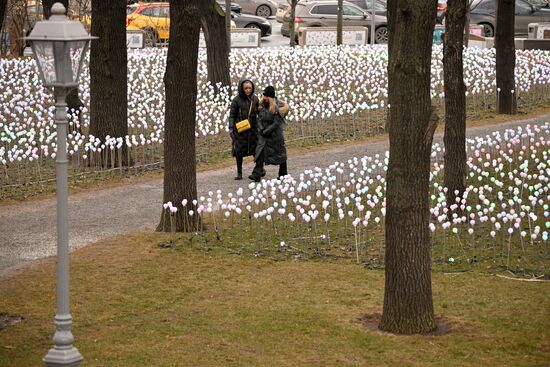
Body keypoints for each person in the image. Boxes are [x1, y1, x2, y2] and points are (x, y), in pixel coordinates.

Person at [249, 86, 289, 182]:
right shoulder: (261, 105)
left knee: (280, 155)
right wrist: (261, 130)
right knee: (260, 153)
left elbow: (276, 123)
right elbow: (258, 119)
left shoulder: (278, 107)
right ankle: (257, 174)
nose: (265, 98)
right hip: (264, 135)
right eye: (264, 95)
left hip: (275, 136)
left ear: (271, 97)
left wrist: (266, 131)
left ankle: (283, 174)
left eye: (267, 96)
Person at [228, 79, 260, 180]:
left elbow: (259, 113)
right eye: (246, 88)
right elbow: (232, 115)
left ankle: (259, 170)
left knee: (256, 151)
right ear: (242, 88)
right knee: (239, 152)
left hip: (253, 130)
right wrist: (231, 127)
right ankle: (239, 173)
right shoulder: (236, 100)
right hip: (240, 130)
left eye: (250, 88)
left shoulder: (255, 99)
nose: (248, 90)